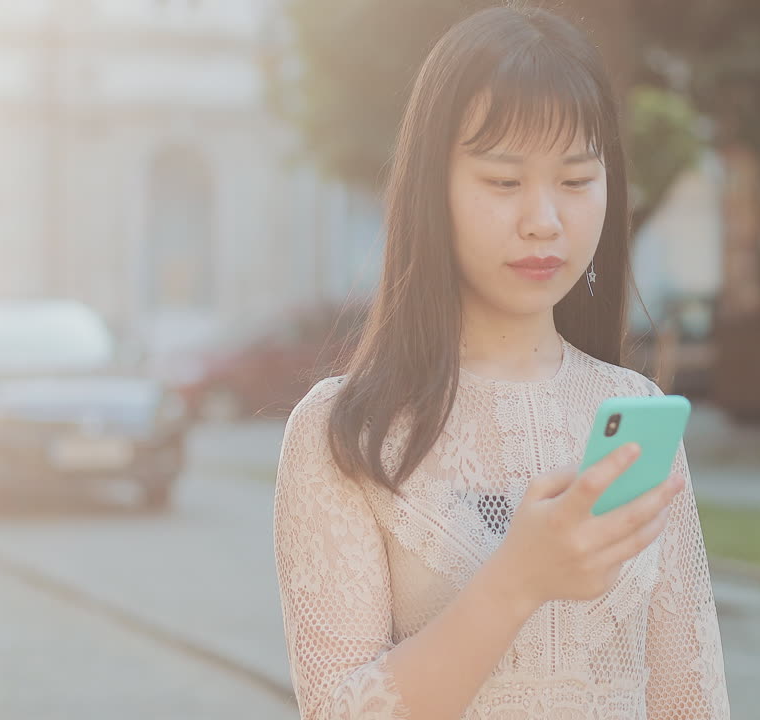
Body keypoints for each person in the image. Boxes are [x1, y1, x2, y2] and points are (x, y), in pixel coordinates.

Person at [272, 6, 731, 719]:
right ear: (433, 190)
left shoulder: (633, 412)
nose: (544, 218)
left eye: (576, 181)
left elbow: (689, 701)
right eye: (503, 182)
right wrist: (515, 581)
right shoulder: (343, 433)